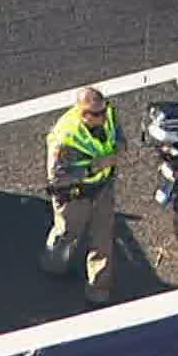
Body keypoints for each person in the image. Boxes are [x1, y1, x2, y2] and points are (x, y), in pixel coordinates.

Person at [40, 87, 125, 304]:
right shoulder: (65, 137)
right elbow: (56, 178)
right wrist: (93, 168)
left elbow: (118, 135)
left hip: (103, 189)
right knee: (66, 233)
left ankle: (98, 291)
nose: (103, 117)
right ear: (81, 113)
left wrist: (120, 148)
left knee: (103, 240)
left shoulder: (109, 113)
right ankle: (54, 264)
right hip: (74, 196)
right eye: (96, 114)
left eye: (103, 110)